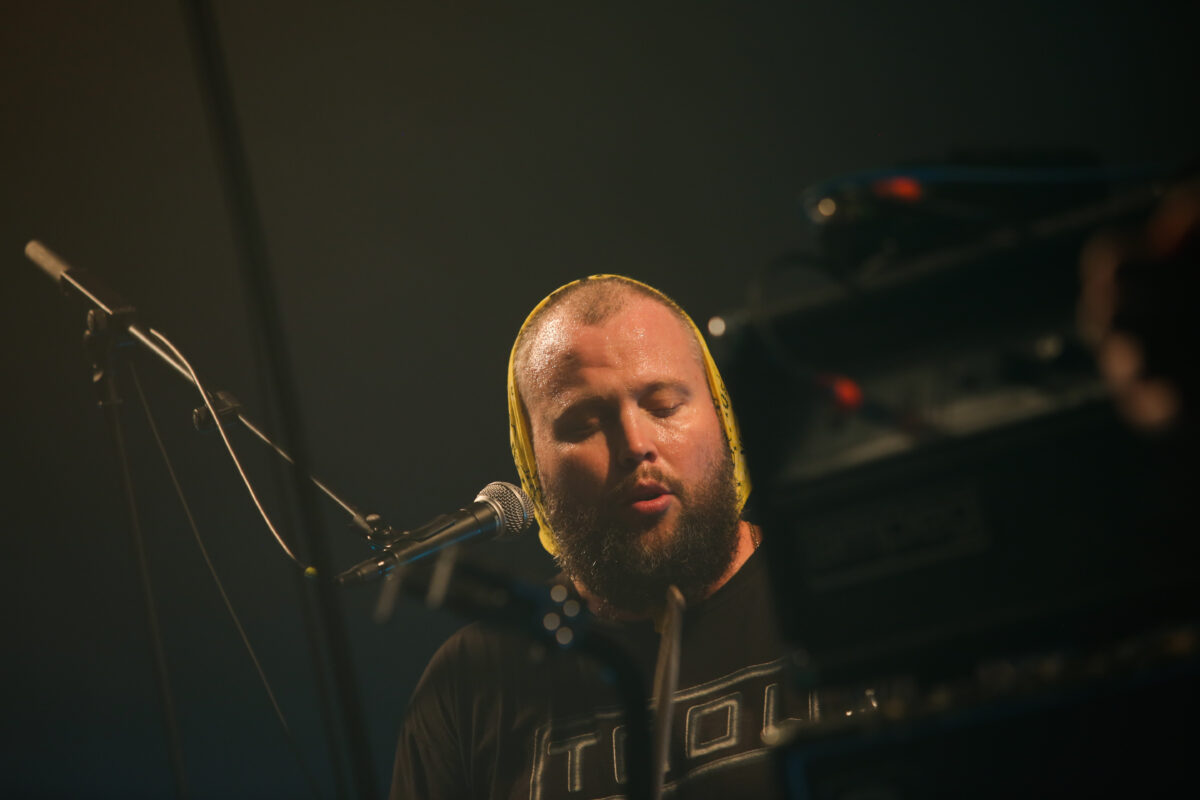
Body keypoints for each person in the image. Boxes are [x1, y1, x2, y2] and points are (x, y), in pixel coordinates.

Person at [389, 275, 808, 799]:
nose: (636, 444)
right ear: (533, 468)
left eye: (663, 405)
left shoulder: (836, 584)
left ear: (723, 417)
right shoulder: (469, 682)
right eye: (585, 424)